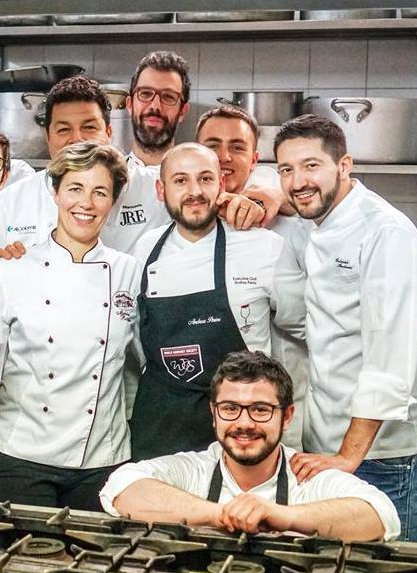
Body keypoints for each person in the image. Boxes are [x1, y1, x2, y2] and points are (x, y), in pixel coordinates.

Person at [0, 141, 141, 510]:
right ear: (55, 192)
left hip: (102, 459)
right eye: (75, 188)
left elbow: (142, 367)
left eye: (100, 192)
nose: (86, 203)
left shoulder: (130, 272)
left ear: (112, 201)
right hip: (20, 456)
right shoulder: (10, 270)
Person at [274, 114, 417, 540]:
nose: (298, 181)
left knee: (381, 562)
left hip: (379, 455)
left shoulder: (386, 232)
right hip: (325, 446)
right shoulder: (314, 223)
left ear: (344, 165)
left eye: (311, 165)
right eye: (286, 169)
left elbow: (391, 360)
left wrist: (348, 457)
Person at [0, 71, 268, 270]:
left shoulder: (153, 187)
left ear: (109, 132)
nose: (78, 139)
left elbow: (207, 195)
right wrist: (0, 268)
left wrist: (256, 200)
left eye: (89, 127)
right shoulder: (11, 201)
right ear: (47, 137)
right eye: (64, 129)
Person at [101, 350, 400, 543]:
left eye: (260, 409)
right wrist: (222, 515)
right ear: (214, 413)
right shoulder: (196, 469)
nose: (244, 423)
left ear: (287, 416)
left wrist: (280, 515)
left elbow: (382, 515)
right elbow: (121, 486)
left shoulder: (305, 476)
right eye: (230, 408)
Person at [128, 143, 305, 461]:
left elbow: (301, 329)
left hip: (241, 430)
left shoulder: (264, 247)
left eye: (205, 178)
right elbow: (137, 347)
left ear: (221, 185)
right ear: (160, 190)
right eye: (180, 180)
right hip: (161, 430)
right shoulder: (145, 249)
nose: (194, 191)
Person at [196, 105, 312, 449]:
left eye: (237, 147)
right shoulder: (179, 226)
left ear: (254, 159)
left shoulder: (289, 229)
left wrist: (279, 196)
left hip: (276, 412)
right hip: (197, 408)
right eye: (213, 145)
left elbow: (305, 321)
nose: (224, 157)